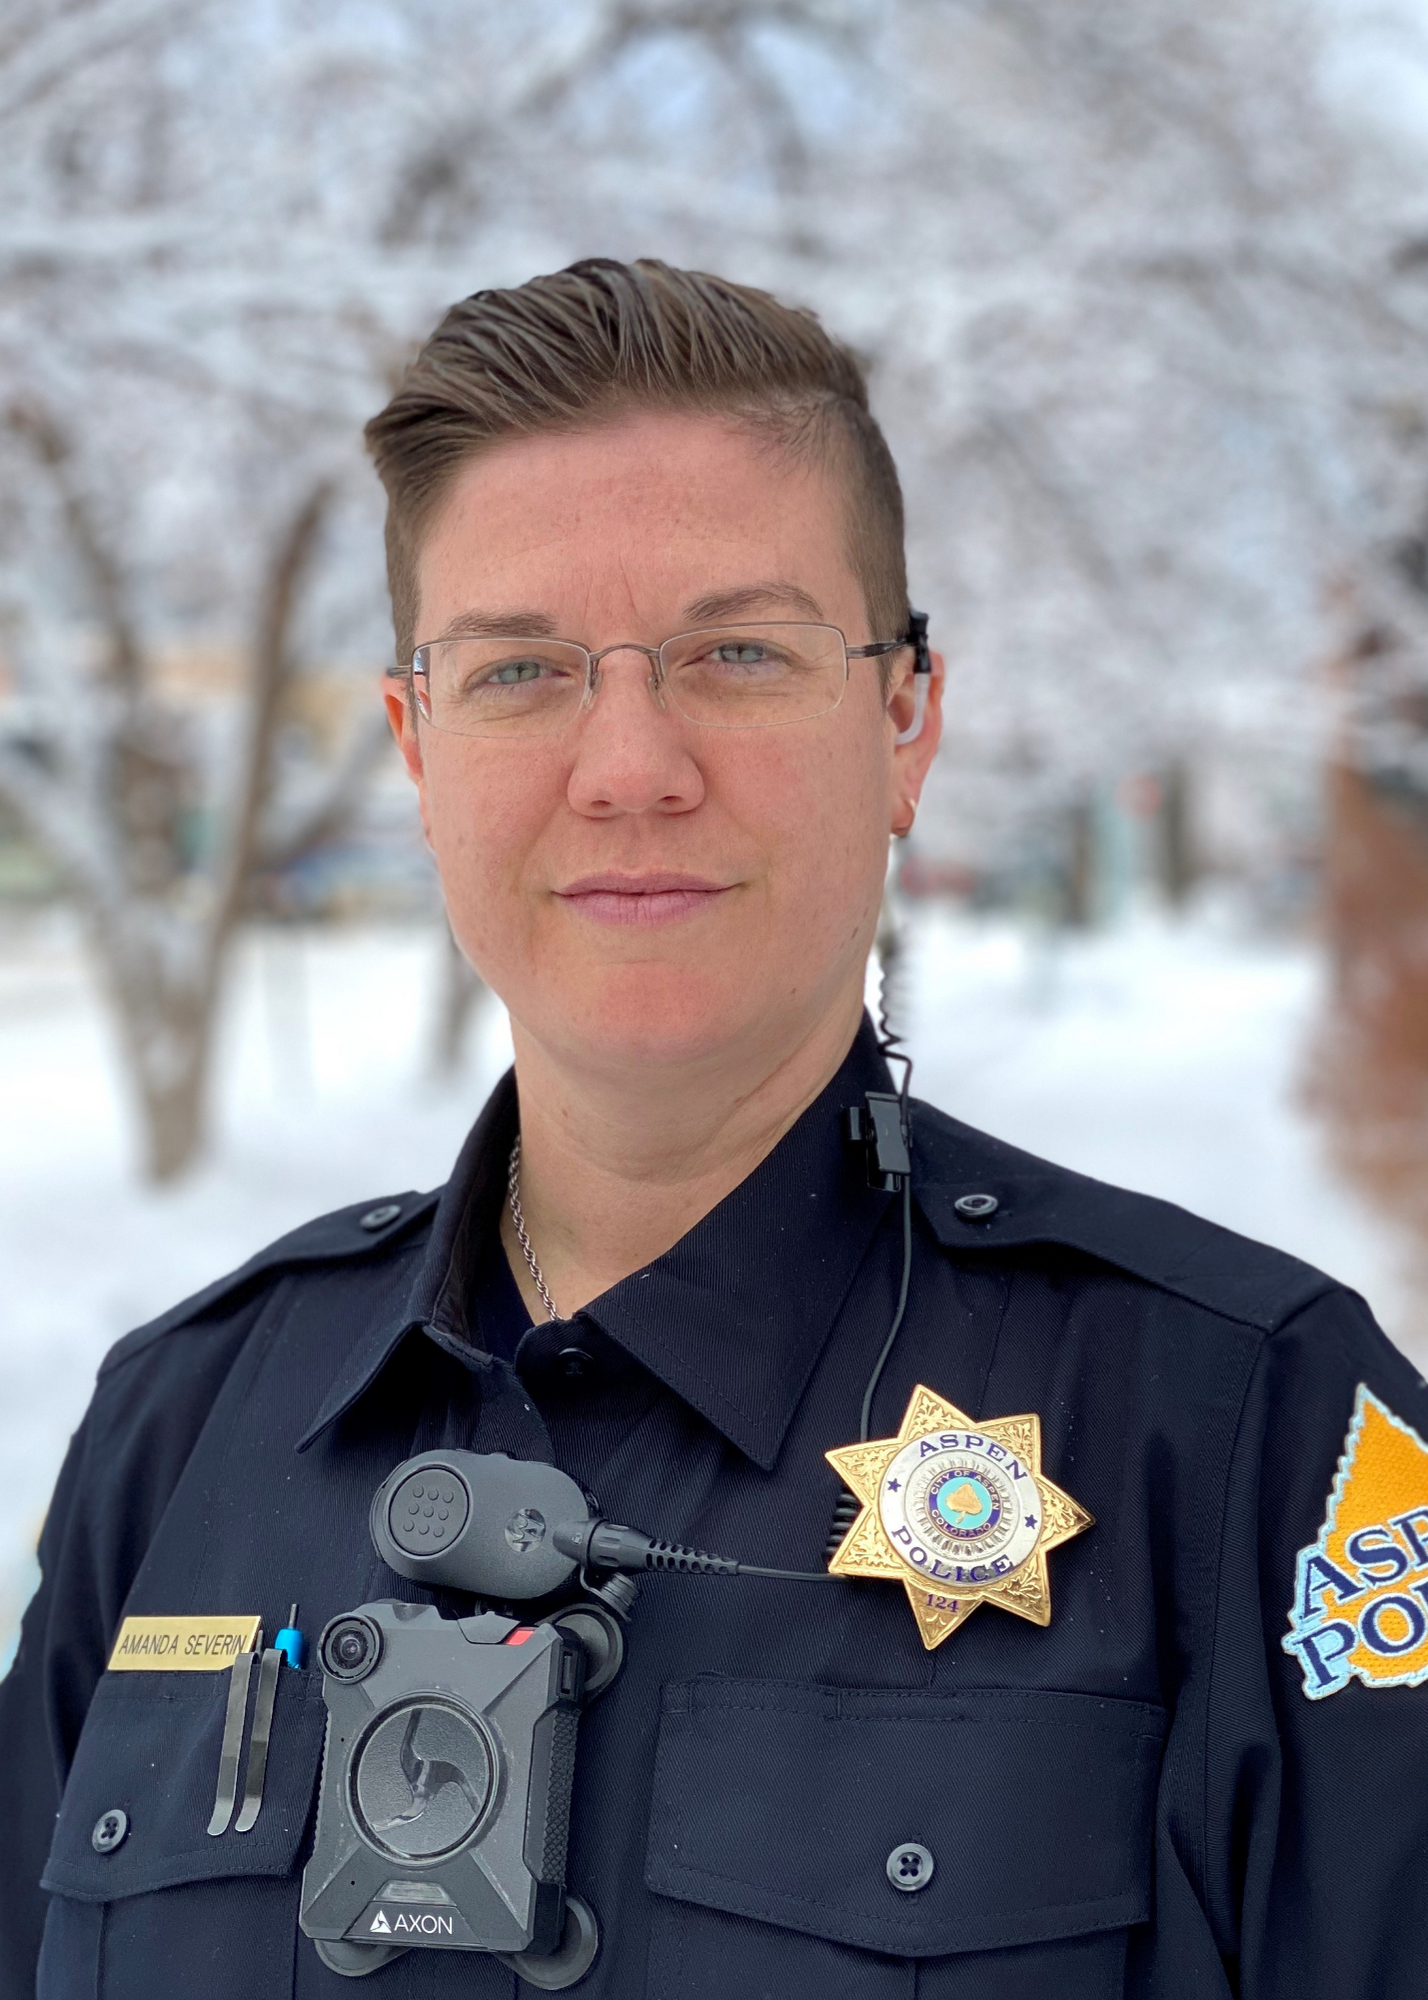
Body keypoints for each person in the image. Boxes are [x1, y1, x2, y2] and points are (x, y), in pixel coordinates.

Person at [2, 258, 1427, 2000]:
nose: (629, 763)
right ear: (415, 744)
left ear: (904, 720)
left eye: (736, 652)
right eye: (521, 669)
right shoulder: (182, 1429)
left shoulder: (1247, 1437)